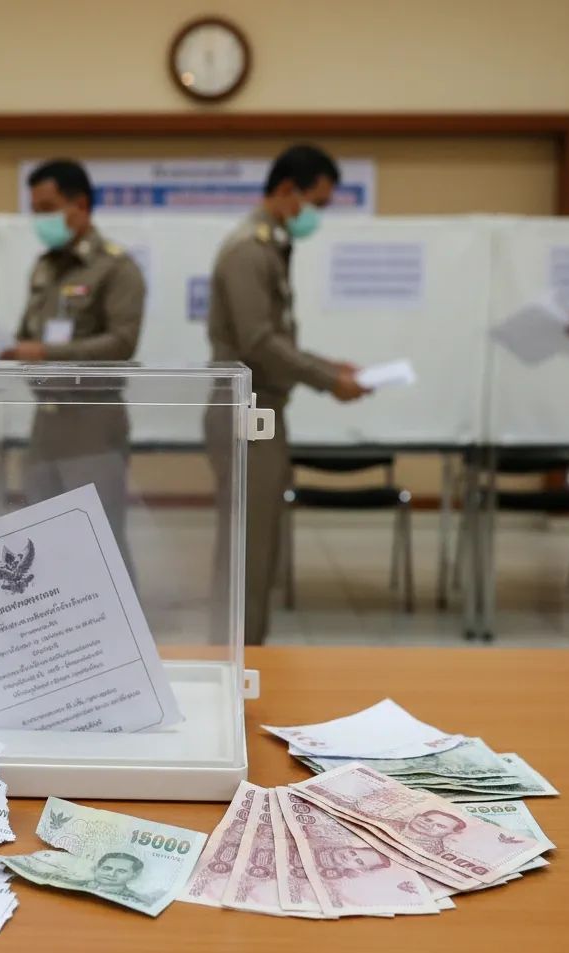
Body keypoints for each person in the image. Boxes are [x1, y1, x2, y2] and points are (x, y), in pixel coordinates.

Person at [205, 145, 370, 645]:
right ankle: (235, 663)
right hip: (244, 413)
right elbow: (257, 342)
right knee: (249, 556)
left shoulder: (271, 247)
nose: (313, 216)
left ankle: (247, 659)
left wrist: (327, 366)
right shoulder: (249, 250)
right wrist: (327, 381)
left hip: (263, 410)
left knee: (260, 550)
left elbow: (273, 341)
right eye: (313, 203)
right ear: (285, 191)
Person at [0, 160, 144, 562]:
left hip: (92, 421)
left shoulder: (115, 267)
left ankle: (117, 628)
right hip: (46, 420)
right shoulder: (46, 267)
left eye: (47, 208)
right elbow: (30, 332)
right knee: (42, 546)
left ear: (79, 204)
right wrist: (12, 347)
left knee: (100, 542)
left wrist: (46, 353)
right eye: (35, 209)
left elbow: (122, 343)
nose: (39, 219)